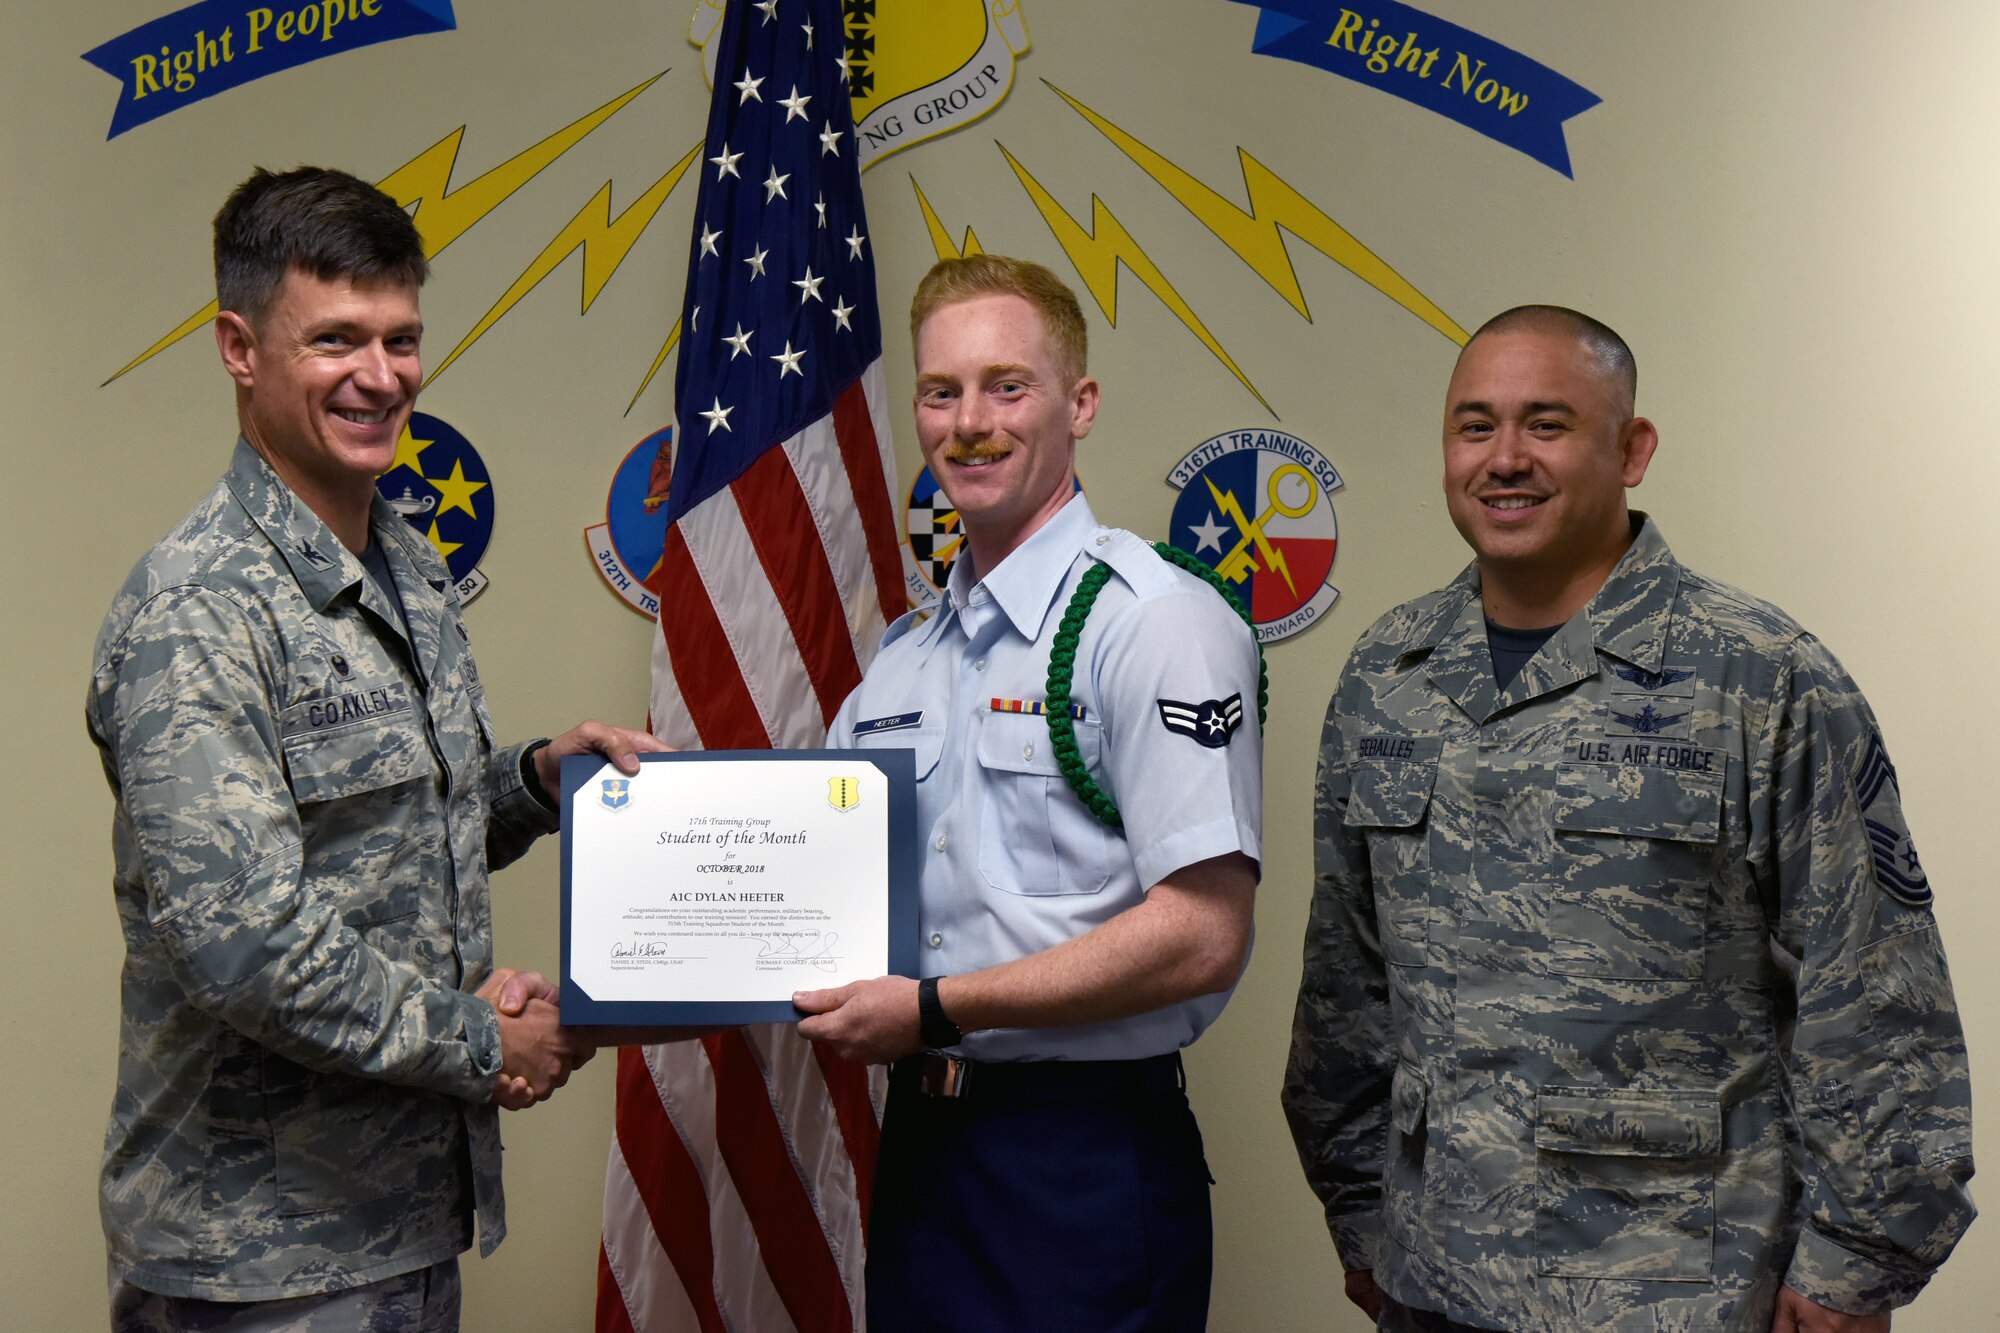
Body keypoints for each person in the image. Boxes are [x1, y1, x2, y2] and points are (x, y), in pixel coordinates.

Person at [1282, 306, 1975, 1333]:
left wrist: (1853, 1264)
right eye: (1474, 427)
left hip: (1677, 1290)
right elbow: (1347, 984)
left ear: (1630, 448)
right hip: (1434, 1276)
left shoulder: (1760, 678)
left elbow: (1871, 994)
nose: (1503, 458)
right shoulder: (1389, 677)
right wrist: (1357, 1213)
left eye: (1545, 424)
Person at [87, 166, 664, 1330]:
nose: (381, 376)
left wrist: (539, 780)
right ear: (239, 348)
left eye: (401, 339)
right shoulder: (199, 611)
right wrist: (486, 1035)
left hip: (392, 1218)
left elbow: (394, 832)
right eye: (336, 339)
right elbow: (246, 945)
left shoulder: (402, 560)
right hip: (255, 1257)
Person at [793, 254, 1262, 1331]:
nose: (969, 422)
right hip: (925, 1150)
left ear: (1078, 403)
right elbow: (805, 903)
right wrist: (606, 998)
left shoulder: (1150, 622)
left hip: (1079, 1159)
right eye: (940, 391)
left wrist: (932, 1009)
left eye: (1008, 386)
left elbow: (1200, 933)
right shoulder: (904, 658)